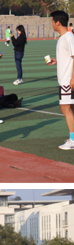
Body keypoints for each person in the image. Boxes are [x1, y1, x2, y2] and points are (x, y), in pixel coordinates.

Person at [47, 10, 74, 150]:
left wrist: (73, 78)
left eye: (52, 21)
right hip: (65, 80)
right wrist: (56, 60)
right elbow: (68, 56)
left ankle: (72, 140)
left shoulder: (69, 37)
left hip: (67, 81)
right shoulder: (63, 38)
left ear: (58, 22)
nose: (51, 24)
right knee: (69, 108)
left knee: (66, 108)